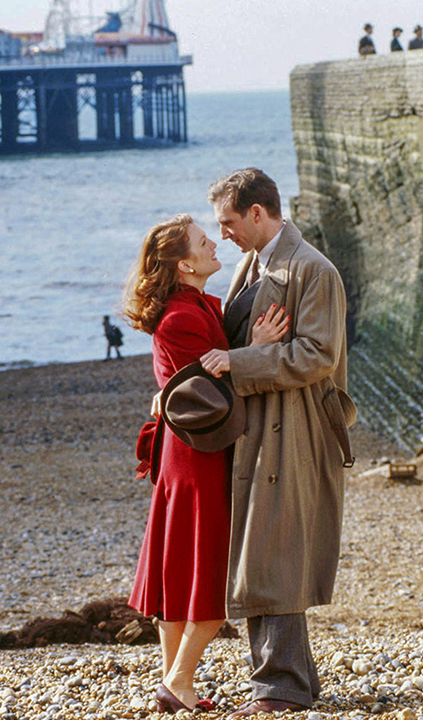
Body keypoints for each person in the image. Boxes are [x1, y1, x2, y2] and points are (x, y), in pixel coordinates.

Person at [199, 169, 355, 716]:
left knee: (274, 556)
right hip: (261, 426)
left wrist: (240, 363)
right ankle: (295, 682)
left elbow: (317, 355)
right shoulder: (254, 263)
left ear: (258, 213)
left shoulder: (313, 270)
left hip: (295, 428)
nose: (224, 235)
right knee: (262, 552)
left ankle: (278, 690)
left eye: (229, 223)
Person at [123, 214, 287, 713]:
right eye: (202, 241)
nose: (213, 243)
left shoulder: (189, 307)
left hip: (186, 454)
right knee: (208, 579)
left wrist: (174, 386)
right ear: (183, 264)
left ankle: (180, 687)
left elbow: (186, 381)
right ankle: (176, 682)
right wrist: (254, 352)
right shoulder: (182, 317)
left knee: (178, 575)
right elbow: (211, 394)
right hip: (198, 459)